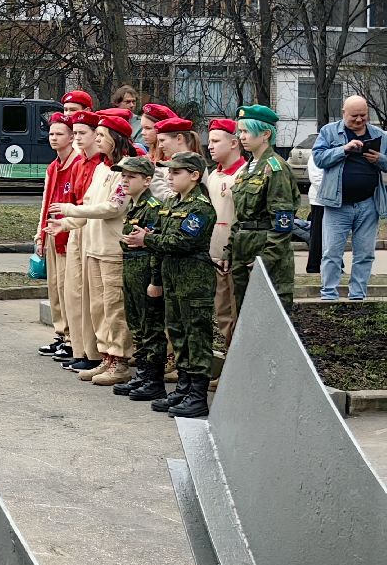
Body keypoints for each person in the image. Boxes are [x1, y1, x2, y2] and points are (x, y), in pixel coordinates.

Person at [125, 151, 217, 419]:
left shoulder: (199, 207)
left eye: (176, 173)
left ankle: (197, 396)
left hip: (194, 282)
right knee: (177, 334)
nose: (169, 177)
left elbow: (182, 242)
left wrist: (148, 240)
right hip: (174, 279)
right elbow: (163, 239)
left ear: (195, 175)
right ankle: (184, 388)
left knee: (195, 337)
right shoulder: (174, 204)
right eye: (168, 172)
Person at [48, 115, 135, 387]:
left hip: (112, 249)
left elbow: (114, 208)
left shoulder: (125, 170)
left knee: (113, 309)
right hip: (95, 248)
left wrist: (71, 210)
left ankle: (120, 361)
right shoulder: (103, 170)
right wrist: (66, 223)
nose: (97, 140)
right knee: (98, 308)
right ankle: (106, 357)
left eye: (101, 135)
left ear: (115, 139)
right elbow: (89, 206)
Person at [311, 95, 387, 303]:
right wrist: (342, 150)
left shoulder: (379, 135)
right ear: (344, 112)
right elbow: (318, 159)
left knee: (364, 253)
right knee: (332, 252)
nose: (359, 120)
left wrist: (379, 160)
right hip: (337, 204)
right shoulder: (329, 132)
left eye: (363, 115)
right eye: (354, 116)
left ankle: (357, 296)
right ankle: (328, 295)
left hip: (368, 203)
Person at [229, 104, 297, 310]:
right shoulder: (246, 170)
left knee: (269, 317)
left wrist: (268, 258)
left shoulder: (275, 168)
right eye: (240, 131)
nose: (241, 136)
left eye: (247, 131)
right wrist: (229, 250)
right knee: (245, 315)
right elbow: (239, 217)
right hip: (243, 249)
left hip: (264, 250)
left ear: (265, 133)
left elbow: (283, 221)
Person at [113, 155, 168, 401]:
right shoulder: (135, 206)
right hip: (132, 270)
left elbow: (157, 249)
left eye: (131, 176)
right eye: (123, 176)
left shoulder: (153, 208)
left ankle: (153, 379)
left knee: (150, 327)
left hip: (145, 270)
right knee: (137, 324)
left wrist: (155, 280)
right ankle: (143, 374)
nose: (125, 180)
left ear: (147, 181)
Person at [36, 113, 77, 359]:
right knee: (55, 287)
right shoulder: (54, 166)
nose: (54, 137)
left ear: (71, 137)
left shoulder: (76, 164)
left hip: (68, 233)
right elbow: (46, 202)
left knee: (67, 287)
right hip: (52, 231)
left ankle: (73, 338)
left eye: (59, 133)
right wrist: (40, 234)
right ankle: (61, 334)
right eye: (51, 133)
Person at [204, 118, 246, 346]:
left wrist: (231, 249)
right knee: (222, 311)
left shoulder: (243, 174)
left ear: (233, 143)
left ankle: (235, 362)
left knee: (234, 310)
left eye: (216, 141)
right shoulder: (213, 175)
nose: (210, 145)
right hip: (214, 253)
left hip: (233, 255)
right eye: (210, 141)